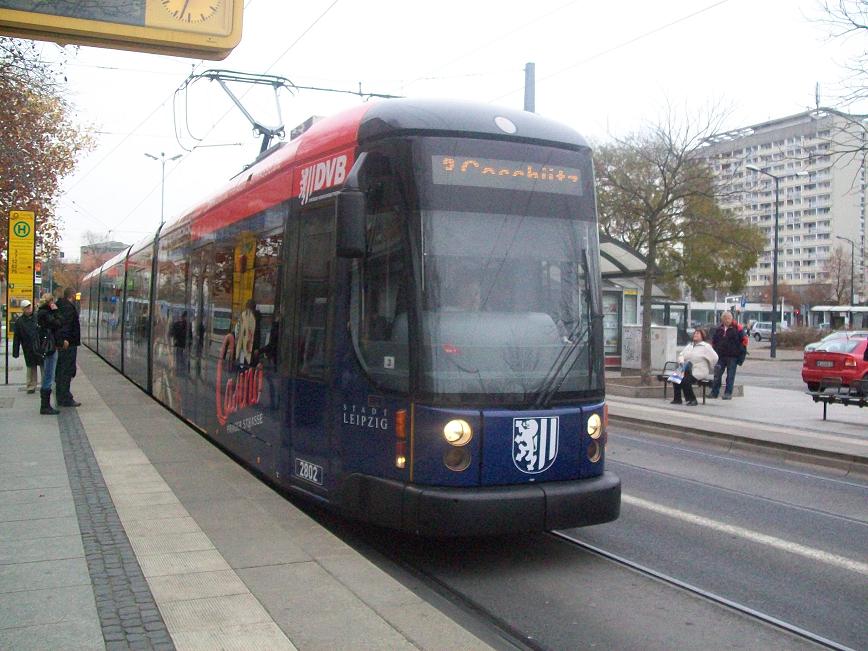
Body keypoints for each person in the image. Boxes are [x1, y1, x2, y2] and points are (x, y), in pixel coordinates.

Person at [671, 328, 719, 406]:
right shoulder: (690, 345)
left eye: (698, 333)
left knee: (686, 381)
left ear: (703, 336)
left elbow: (715, 357)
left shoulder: (706, 346)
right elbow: (681, 355)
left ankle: (692, 399)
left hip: (699, 370)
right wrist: (682, 362)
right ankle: (677, 399)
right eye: (695, 333)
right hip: (686, 367)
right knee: (676, 377)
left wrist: (709, 365)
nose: (695, 335)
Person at [55, 287, 82, 407]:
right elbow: (66, 324)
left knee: (63, 370)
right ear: (71, 296)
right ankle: (65, 398)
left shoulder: (60, 305)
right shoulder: (68, 307)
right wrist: (65, 339)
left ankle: (62, 395)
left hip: (65, 343)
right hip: (68, 344)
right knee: (67, 371)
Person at [36, 292, 62, 415]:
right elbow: (58, 323)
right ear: (50, 302)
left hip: (46, 346)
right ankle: (45, 406)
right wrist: (56, 311)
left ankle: (45, 405)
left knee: (48, 374)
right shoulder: (45, 314)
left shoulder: (41, 312)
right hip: (49, 347)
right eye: (53, 301)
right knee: (48, 375)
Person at [709, 311, 743, 400]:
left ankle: (728, 393)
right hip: (720, 356)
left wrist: (740, 356)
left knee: (730, 376)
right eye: (725, 318)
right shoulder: (718, 329)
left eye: (729, 318)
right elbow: (714, 342)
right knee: (717, 374)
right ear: (722, 319)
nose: (727, 320)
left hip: (733, 356)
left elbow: (743, 342)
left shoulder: (737, 328)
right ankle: (714, 392)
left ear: (732, 319)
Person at [12, 299, 41, 393]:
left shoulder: (37, 317)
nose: (29, 309)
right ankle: (31, 386)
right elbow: (16, 337)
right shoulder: (19, 322)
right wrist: (15, 351)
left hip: (39, 345)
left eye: (30, 307)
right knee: (31, 367)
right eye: (26, 308)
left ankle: (45, 385)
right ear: (23, 309)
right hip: (28, 347)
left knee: (43, 365)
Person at [170, 310, 192, 376]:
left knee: (182, 358)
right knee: (180, 358)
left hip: (182, 345)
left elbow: (190, 335)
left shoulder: (188, 324)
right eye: (186, 317)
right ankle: (180, 372)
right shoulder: (177, 324)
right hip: (180, 344)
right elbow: (173, 334)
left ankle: (183, 372)